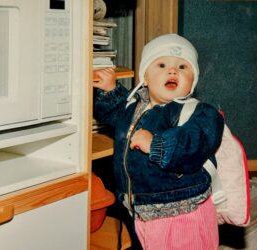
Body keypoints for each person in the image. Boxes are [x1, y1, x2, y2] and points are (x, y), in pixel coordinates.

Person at [93, 33, 224, 250]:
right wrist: (110, 91)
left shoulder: (200, 113)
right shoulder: (134, 106)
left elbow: (195, 142)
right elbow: (114, 113)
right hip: (137, 207)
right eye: (161, 64)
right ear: (145, 76)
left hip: (182, 210)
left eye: (183, 67)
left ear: (193, 80)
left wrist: (156, 144)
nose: (172, 71)